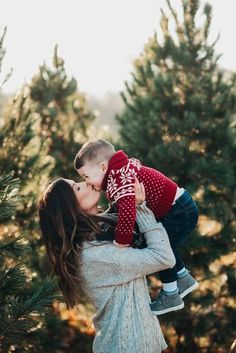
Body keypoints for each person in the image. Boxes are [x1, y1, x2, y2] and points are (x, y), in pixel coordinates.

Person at [38, 178, 175, 353]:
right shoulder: (92, 254)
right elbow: (163, 257)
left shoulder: (102, 230)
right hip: (126, 346)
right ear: (70, 209)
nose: (86, 183)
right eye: (77, 188)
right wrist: (141, 210)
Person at [74, 139, 199, 315]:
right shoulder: (119, 172)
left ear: (103, 168)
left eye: (86, 176)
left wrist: (121, 241)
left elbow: (127, 213)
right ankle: (183, 278)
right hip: (180, 206)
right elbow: (120, 206)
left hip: (178, 211)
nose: (87, 182)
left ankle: (171, 293)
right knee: (163, 242)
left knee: (158, 246)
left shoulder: (119, 180)